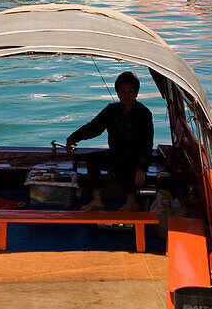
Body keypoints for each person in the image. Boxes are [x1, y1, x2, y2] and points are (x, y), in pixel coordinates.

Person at [66, 71, 154, 211]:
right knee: (93, 158)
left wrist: (142, 168)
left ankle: (131, 201)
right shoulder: (112, 110)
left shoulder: (144, 113)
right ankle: (97, 199)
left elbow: (147, 143)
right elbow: (94, 127)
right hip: (115, 154)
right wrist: (73, 138)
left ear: (136, 93)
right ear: (118, 93)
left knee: (124, 158)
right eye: (122, 92)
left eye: (130, 92)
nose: (126, 96)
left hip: (135, 158)